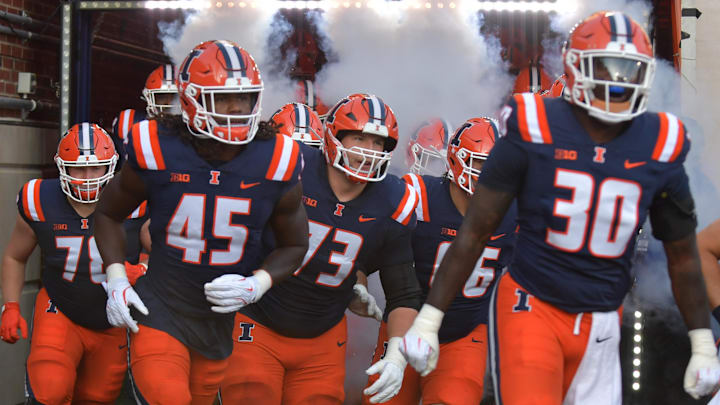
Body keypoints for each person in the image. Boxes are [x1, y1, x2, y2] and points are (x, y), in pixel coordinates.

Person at [400, 11, 720, 404]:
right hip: (532, 303)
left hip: (602, 314)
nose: (616, 83)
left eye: (629, 71)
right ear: (575, 68)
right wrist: (431, 318)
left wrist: (703, 339)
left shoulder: (659, 141)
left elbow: (684, 255)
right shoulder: (534, 124)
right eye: (605, 68)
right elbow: (476, 230)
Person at [93, 40, 309, 405]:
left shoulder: (277, 157)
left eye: (244, 98)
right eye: (223, 98)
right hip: (161, 306)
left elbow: (295, 244)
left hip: (218, 319)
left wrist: (258, 283)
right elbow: (108, 214)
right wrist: (115, 277)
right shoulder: (155, 144)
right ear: (191, 98)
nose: (236, 108)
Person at [220, 93, 423, 405]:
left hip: (322, 337)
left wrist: (396, 354)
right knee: (253, 394)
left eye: (379, 143)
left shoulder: (393, 200)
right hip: (258, 321)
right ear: (333, 137)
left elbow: (404, 294)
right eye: (359, 138)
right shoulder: (291, 165)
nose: (369, 152)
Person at [363, 118, 516, 405]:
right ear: (458, 160)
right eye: (483, 165)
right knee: (382, 400)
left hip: (464, 334)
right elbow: (367, 245)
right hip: (405, 324)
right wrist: (358, 281)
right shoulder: (417, 194)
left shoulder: (514, 212)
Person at [0, 123, 126, 404]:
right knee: (49, 387)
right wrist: (10, 305)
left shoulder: (134, 200)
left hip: (113, 318)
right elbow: (15, 255)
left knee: (97, 397)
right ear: (61, 168)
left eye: (96, 168)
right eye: (78, 169)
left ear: (112, 167)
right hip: (61, 305)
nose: (88, 177)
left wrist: (141, 269)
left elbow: (160, 253)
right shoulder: (38, 199)